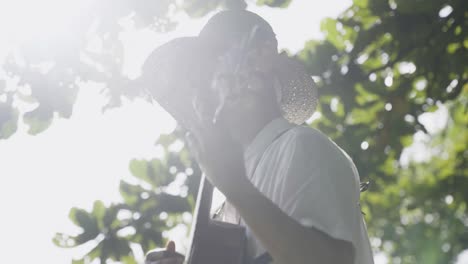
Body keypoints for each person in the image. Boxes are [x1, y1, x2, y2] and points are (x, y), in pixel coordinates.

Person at [142, 10, 374, 264]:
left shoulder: (300, 147)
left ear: (260, 60)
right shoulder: (224, 205)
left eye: (210, 66)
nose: (199, 92)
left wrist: (235, 185)